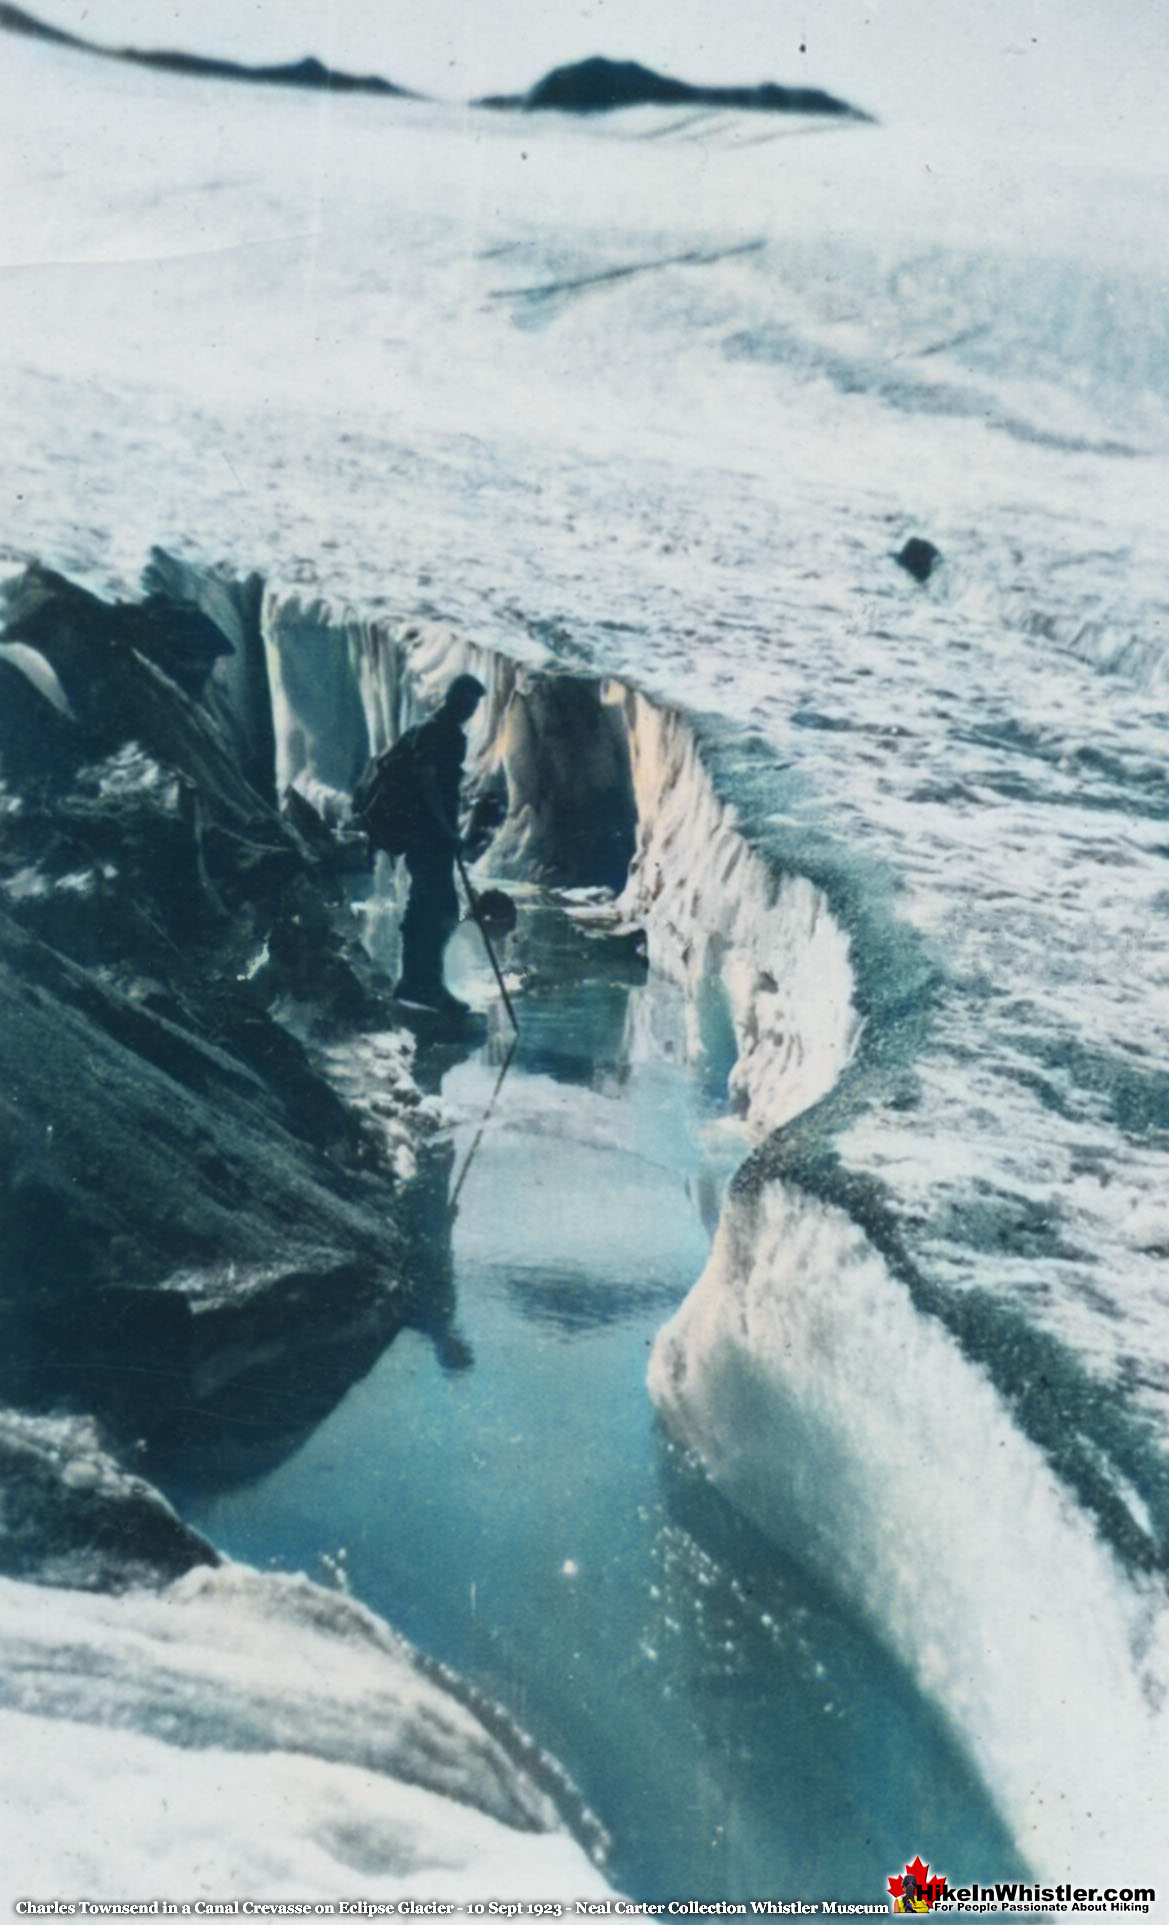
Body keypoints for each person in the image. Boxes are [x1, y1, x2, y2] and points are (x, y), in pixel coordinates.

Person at [394, 672, 486, 1014]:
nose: (470, 711)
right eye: (467, 703)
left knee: (429, 906)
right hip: (427, 834)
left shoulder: (444, 733)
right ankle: (423, 985)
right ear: (453, 698)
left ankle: (416, 982)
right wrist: (446, 829)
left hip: (432, 834)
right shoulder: (436, 733)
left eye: (474, 706)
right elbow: (428, 783)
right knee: (438, 908)